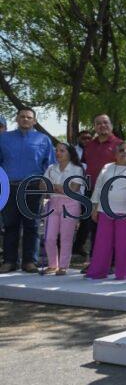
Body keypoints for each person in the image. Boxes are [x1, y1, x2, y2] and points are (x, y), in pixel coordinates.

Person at [0, 107, 56, 273]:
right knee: (10, 225)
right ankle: (9, 261)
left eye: (29, 117)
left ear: (34, 121)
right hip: (9, 187)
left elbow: (50, 165)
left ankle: (30, 261)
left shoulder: (43, 140)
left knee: (31, 225)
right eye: (22, 117)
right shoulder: (3, 139)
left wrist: (47, 185)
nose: (25, 119)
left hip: (33, 187)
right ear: (16, 119)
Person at [86, 141, 126, 280]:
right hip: (105, 209)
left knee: (124, 244)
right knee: (102, 243)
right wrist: (95, 206)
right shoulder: (107, 167)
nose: (125, 153)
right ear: (115, 154)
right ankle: (98, 272)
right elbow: (98, 187)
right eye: (121, 150)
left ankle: (122, 273)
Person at [74, 115, 122, 264]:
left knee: (113, 229)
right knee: (93, 227)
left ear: (111, 125)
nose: (102, 125)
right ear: (94, 127)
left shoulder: (120, 145)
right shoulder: (89, 146)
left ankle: (112, 263)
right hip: (91, 191)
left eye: (105, 122)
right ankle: (96, 263)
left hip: (113, 192)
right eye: (98, 123)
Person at [42, 143, 85, 275]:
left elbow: (73, 189)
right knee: (49, 237)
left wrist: (53, 186)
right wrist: (60, 187)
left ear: (70, 153)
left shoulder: (77, 169)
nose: (58, 153)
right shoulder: (51, 168)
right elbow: (42, 186)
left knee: (66, 237)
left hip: (71, 204)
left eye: (62, 151)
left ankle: (63, 266)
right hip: (52, 203)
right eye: (57, 151)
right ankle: (52, 264)